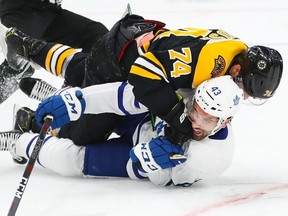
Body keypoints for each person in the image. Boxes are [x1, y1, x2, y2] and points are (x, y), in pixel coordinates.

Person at [4, 13, 283, 145]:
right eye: (245, 90)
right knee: (84, 134)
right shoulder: (210, 62)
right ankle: (29, 121)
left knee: (83, 68)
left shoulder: (235, 52)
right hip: (123, 62)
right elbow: (144, 76)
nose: (242, 97)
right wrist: (178, 117)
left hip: (130, 39)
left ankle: (29, 47)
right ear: (236, 71)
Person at [0, 75, 244, 186]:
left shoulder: (213, 157)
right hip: (143, 121)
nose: (196, 122)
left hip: (138, 156)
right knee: (95, 112)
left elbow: (163, 179)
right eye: (195, 111)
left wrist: (147, 161)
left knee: (70, 161)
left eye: (208, 119)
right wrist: (77, 100)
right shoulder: (186, 91)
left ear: (226, 121)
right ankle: (60, 99)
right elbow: (125, 95)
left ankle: (19, 141)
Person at [0, 0, 109, 102]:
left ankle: (70, 90)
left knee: (97, 35)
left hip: (47, 11)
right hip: (21, 11)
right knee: (21, 60)